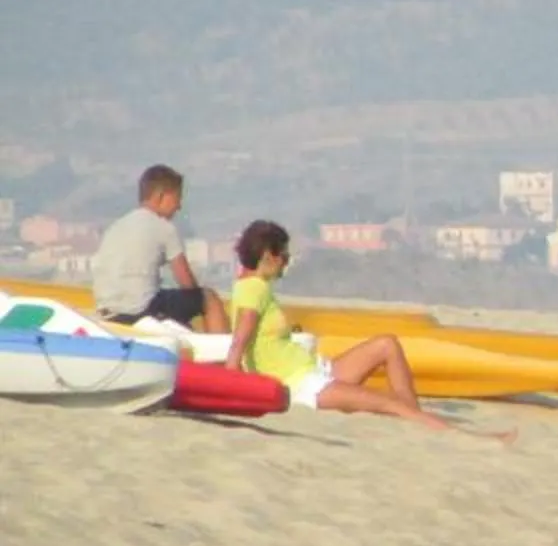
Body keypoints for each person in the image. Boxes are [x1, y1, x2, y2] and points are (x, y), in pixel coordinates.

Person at [226, 220, 456, 430]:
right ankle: (456, 432)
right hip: (302, 386)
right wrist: (231, 381)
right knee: (387, 403)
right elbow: (240, 339)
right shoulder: (254, 288)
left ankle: (416, 418)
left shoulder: (253, 287)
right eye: (284, 257)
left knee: (387, 345)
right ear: (268, 256)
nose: (286, 264)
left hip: (316, 371)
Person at [91, 164, 229, 332]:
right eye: (177, 198)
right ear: (161, 196)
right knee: (208, 298)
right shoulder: (164, 227)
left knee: (176, 307)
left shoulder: (116, 226)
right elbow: (187, 284)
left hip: (106, 312)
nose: (179, 206)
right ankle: (222, 355)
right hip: (140, 311)